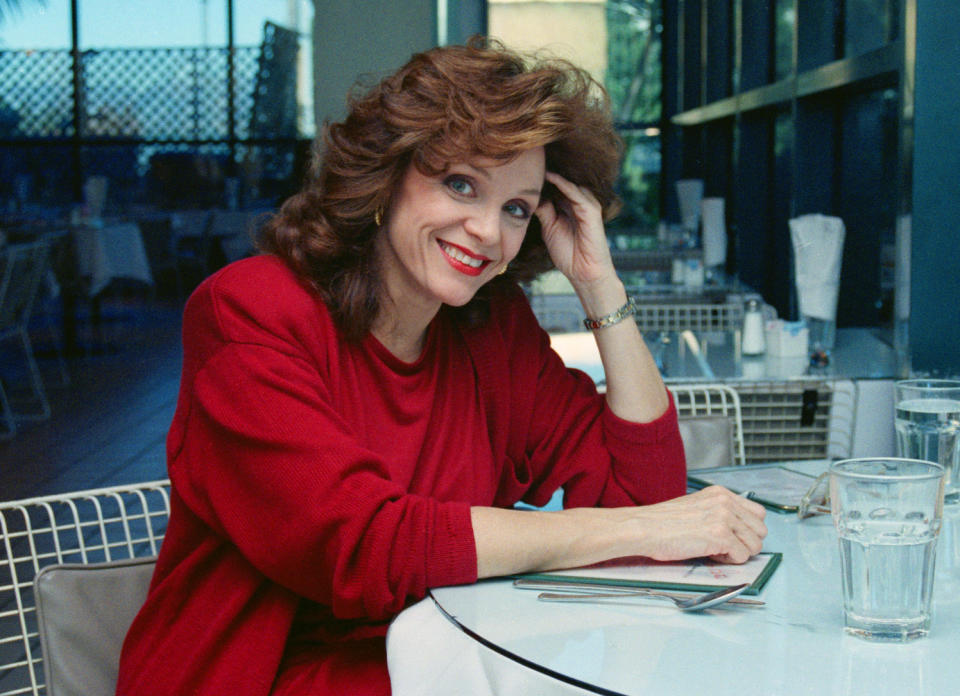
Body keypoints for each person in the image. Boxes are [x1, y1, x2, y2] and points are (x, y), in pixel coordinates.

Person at [116, 38, 766, 695]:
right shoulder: (249, 313)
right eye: (462, 184)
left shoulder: (491, 328)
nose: (487, 230)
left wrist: (601, 286)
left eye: (516, 207)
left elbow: (643, 501)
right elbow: (365, 549)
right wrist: (641, 526)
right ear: (388, 174)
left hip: (443, 668)